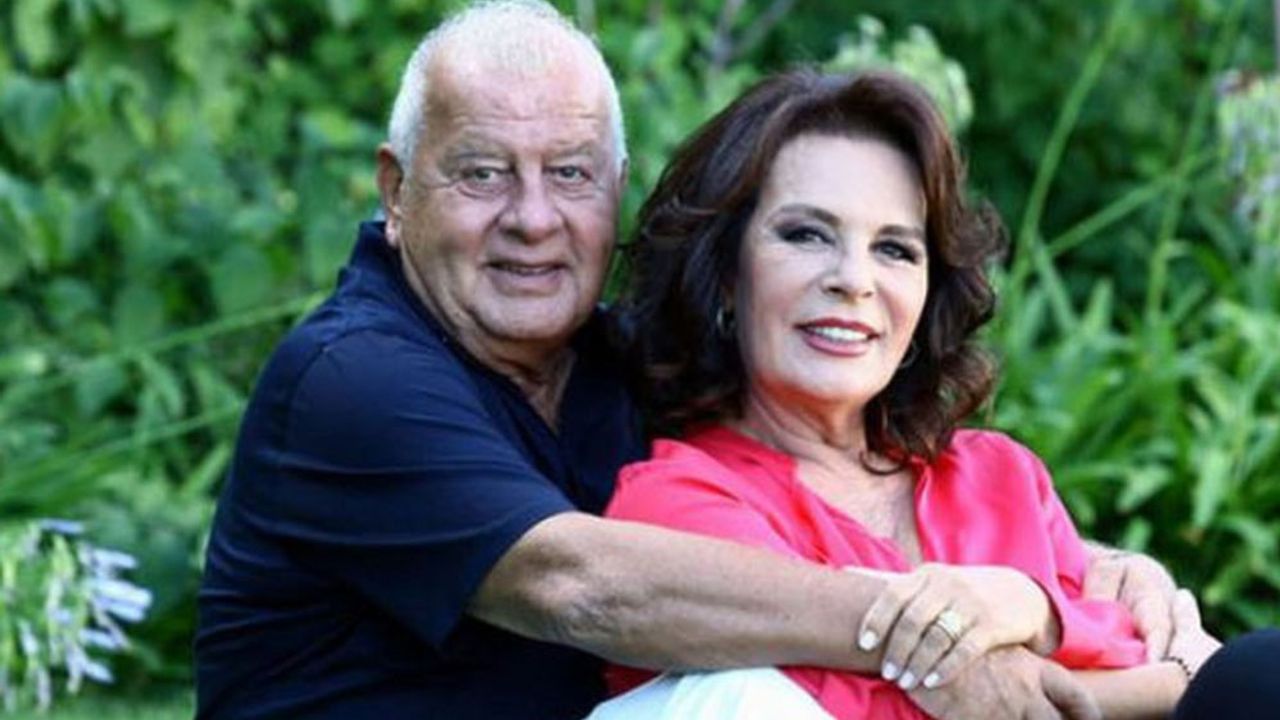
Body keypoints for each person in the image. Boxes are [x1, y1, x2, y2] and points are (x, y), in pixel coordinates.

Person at [194, 2, 1186, 718]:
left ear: (616, 188)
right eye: (482, 173)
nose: (532, 219)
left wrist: (1077, 580)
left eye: (570, 174)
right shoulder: (352, 378)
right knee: (736, 700)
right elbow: (577, 584)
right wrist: (931, 637)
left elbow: (863, 492)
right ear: (395, 191)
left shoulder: (620, 358)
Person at [602, 68, 1225, 719]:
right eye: (806, 234)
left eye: (895, 249)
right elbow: (881, 709)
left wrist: (1027, 606)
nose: (854, 280)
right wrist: (1167, 677)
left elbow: (1131, 644)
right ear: (727, 274)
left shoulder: (999, 475)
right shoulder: (680, 501)